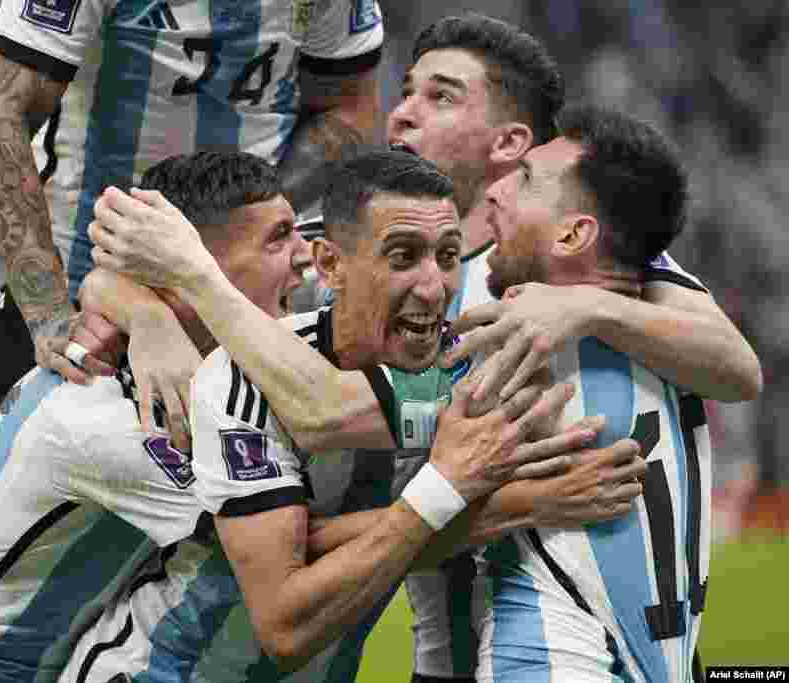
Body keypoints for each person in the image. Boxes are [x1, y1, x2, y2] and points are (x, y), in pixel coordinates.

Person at [83, 13, 761, 682]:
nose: (401, 112)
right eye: (405, 91)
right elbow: (118, 266)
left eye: (440, 97)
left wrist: (586, 304)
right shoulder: (351, 248)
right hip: (441, 634)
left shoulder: (565, 260)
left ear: (510, 144)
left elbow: (736, 364)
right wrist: (148, 315)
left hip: (562, 634)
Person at [0, 1, 386, 681]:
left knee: (204, 576)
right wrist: (53, 317)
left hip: (228, 305)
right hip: (68, 305)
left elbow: (350, 113)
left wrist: (247, 220)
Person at [60, 149, 647, 682]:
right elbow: (286, 625)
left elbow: (328, 536)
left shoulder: (461, 370)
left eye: (447, 257)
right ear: (331, 266)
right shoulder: (238, 381)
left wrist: (597, 306)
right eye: (403, 257)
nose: (434, 285)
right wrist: (490, 499)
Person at [0, 151, 308, 682]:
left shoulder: (136, 363)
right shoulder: (102, 410)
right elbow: (271, 535)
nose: (305, 254)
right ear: (188, 266)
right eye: (279, 237)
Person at [475, 102, 713, 682]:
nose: (497, 191)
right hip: (550, 648)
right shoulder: (669, 327)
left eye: (526, 178)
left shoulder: (668, 320)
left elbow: (745, 372)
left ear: (575, 233)